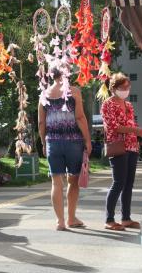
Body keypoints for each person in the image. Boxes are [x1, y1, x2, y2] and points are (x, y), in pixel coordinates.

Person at [101, 72, 142, 231]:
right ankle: (109, 219)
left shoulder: (128, 105)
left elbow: (132, 127)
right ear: (114, 88)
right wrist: (138, 130)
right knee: (118, 182)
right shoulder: (108, 104)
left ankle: (126, 218)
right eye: (123, 87)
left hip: (132, 146)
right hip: (118, 146)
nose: (126, 89)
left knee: (128, 184)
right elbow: (113, 127)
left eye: (128, 86)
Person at [38, 66, 92, 231]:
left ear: (51, 75)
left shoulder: (44, 94)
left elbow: (41, 122)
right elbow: (80, 117)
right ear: (67, 73)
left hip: (53, 142)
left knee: (56, 182)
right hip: (73, 142)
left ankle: (60, 221)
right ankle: (71, 218)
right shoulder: (74, 92)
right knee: (73, 180)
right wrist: (88, 140)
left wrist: (43, 142)